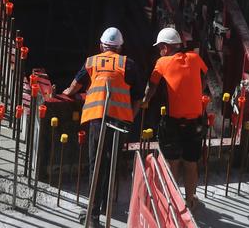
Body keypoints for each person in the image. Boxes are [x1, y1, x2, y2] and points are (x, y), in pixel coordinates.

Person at [63, 27, 143, 226]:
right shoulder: (128, 64)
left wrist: (66, 92)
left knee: (96, 165)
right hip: (120, 123)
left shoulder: (92, 61)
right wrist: (130, 117)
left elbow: (74, 87)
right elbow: (138, 98)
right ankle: (103, 209)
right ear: (120, 48)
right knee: (110, 163)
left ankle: (93, 214)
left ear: (101, 46)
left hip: (98, 119)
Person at [142, 27, 208, 209]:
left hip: (174, 122)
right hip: (196, 121)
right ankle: (190, 200)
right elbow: (206, 76)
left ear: (165, 47)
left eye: (160, 48)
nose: (159, 51)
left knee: (172, 162)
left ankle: (172, 200)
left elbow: (152, 86)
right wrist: (198, 92)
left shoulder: (162, 62)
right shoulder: (195, 58)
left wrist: (144, 102)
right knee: (191, 162)